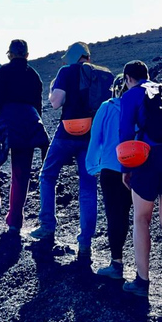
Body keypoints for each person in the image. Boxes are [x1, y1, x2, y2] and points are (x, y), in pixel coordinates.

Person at [119, 60, 162, 301]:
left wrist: (125, 168)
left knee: (141, 218)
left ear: (128, 78)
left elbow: (125, 133)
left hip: (147, 158)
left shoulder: (132, 95)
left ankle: (142, 281)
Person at [30, 41, 101, 260]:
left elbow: (55, 103)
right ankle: (85, 243)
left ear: (72, 56)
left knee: (47, 175)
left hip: (67, 132)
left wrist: (53, 89)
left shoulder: (65, 72)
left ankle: (47, 225)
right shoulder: (100, 74)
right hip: (91, 136)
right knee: (88, 188)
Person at [0, 39, 49, 234]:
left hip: (6, 123)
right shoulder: (35, 76)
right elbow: (38, 109)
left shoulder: (5, 71)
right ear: (27, 55)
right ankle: (15, 222)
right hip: (30, 124)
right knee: (21, 174)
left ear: (9, 54)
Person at [86, 75, 131, 279]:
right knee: (131, 215)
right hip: (134, 168)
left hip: (110, 169)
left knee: (114, 215)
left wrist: (91, 164)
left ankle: (116, 263)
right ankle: (140, 268)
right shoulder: (138, 108)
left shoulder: (106, 107)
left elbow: (96, 138)